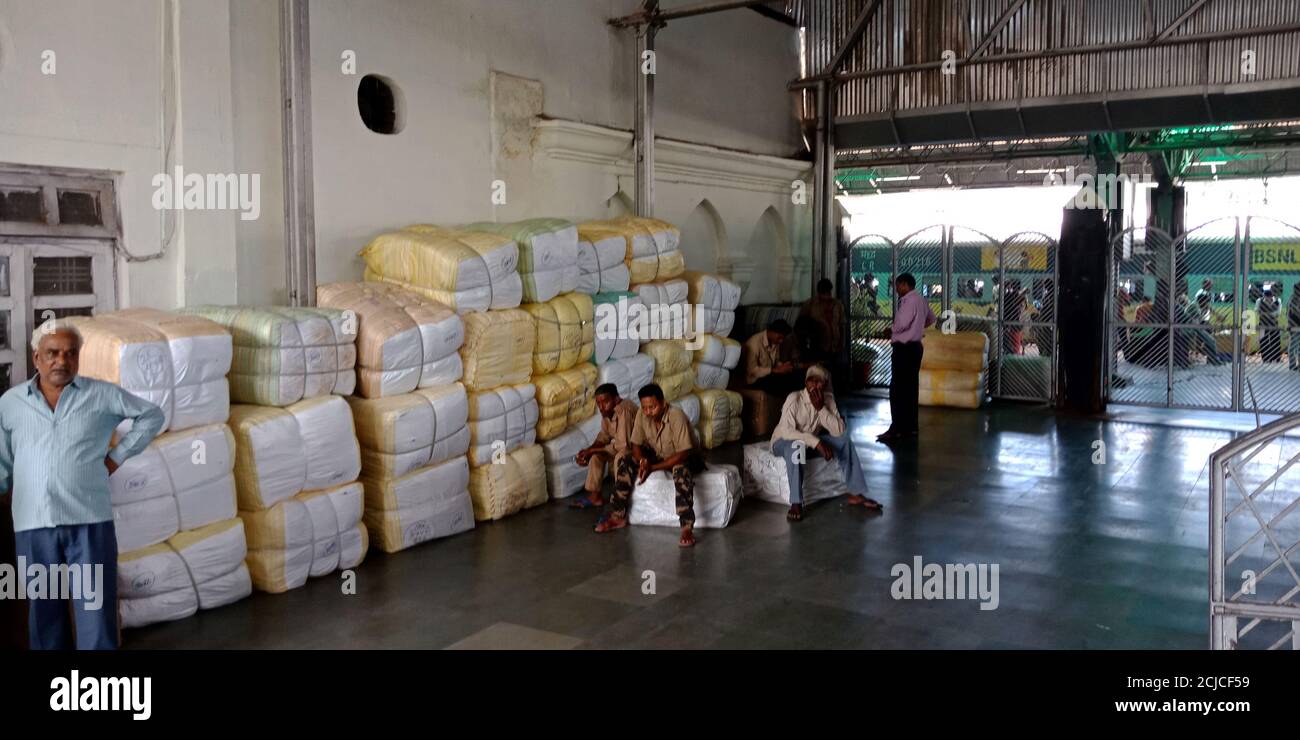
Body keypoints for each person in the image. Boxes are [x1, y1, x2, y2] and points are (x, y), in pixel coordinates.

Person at [0, 320, 165, 650]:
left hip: (89, 521)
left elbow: (152, 416)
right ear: (36, 358)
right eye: (52, 353)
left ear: (78, 358)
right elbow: (3, 460)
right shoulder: (11, 403)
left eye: (70, 353)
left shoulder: (101, 395)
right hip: (33, 525)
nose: (61, 361)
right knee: (43, 615)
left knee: (96, 611)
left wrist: (116, 457)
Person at [771, 365, 881, 521]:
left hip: (809, 444)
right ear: (805, 382)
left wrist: (821, 408)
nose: (814, 385)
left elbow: (840, 431)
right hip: (783, 442)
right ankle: (796, 502)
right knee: (796, 446)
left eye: (819, 382)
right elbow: (787, 432)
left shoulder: (827, 399)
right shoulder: (794, 398)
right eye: (811, 381)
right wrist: (816, 442)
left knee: (844, 442)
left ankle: (855, 492)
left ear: (824, 384)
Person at [599, 383, 704, 547]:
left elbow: (683, 453)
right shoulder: (642, 414)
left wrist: (653, 468)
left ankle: (686, 527)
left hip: (686, 457)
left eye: (653, 407)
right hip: (660, 455)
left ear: (663, 403)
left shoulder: (676, 416)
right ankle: (617, 516)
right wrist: (642, 461)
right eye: (645, 407)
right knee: (626, 460)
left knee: (680, 470)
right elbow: (635, 445)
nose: (648, 412)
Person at [879, 273, 935, 442]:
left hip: (904, 349)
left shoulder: (908, 301)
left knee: (897, 390)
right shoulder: (921, 300)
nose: (896, 289)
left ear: (904, 285)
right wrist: (917, 326)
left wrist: (891, 330)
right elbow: (931, 318)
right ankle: (911, 428)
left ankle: (897, 428)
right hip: (916, 348)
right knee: (910, 390)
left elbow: (902, 323)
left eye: (897, 286)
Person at [570, 383, 638, 511]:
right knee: (596, 456)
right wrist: (589, 451)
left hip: (639, 450)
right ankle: (595, 497)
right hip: (622, 447)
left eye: (605, 402)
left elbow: (623, 445)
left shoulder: (624, 410)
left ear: (616, 399)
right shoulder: (607, 413)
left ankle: (622, 500)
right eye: (598, 403)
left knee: (621, 456)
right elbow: (604, 436)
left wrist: (593, 450)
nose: (601, 407)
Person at [744, 319, 804, 396]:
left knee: (796, 375)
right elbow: (752, 371)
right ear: (772, 332)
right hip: (754, 381)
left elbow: (776, 361)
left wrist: (783, 366)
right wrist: (774, 370)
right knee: (776, 381)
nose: (781, 341)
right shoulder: (754, 343)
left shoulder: (775, 342)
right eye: (779, 338)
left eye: (783, 338)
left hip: (769, 376)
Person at [800, 278, 846, 361]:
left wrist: (842, 343)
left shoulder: (837, 305)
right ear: (819, 293)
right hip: (817, 345)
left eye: (828, 293)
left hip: (835, 346)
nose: (826, 296)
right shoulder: (810, 305)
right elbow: (801, 324)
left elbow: (841, 325)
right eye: (824, 293)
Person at [1258, 287, 1282, 363]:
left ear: (1272, 296)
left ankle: (1276, 358)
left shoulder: (1278, 301)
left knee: (1275, 340)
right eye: (1265, 298)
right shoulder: (1259, 301)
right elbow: (1257, 310)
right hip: (1262, 323)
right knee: (1263, 340)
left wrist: (1266, 314)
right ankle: (1265, 358)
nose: (1267, 300)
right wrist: (1270, 314)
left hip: (1273, 323)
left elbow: (1278, 312)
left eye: (1268, 298)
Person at [1289, 291, 1300, 371]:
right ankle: (1293, 365)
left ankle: (1293, 365)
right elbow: (1293, 312)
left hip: (1293, 325)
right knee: (1294, 345)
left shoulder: (1292, 299)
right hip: (1295, 325)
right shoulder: (1294, 300)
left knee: (1293, 345)